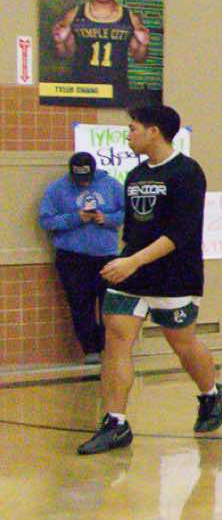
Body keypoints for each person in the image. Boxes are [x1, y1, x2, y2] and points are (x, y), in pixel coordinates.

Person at [76, 105, 222, 454]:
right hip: (132, 273)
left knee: (182, 343)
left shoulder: (187, 172)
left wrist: (134, 261)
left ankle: (211, 393)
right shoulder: (134, 175)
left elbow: (180, 233)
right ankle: (116, 422)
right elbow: (135, 228)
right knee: (116, 340)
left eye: (133, 128)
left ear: (154, 131)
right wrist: (125, 260)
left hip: (175, 275)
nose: (128, 135)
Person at [39, 151, 124, 364]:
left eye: (87, 178)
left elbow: (128, 213)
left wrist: (107, 218)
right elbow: (46, 221)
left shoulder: (112, 186)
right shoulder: (57, 189)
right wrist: (75, 218)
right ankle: (91, 350)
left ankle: (108, 350)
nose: (83, 183)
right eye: (78, 179)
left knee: (109, 307)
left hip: (106, 256)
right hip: (72, 258)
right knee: (80, 306)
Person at [51, 0, 151, 105]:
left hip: (117, 90)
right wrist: (59, 42)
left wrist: (144, 45)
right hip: (82, 90)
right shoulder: (75, 14)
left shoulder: (130, 17)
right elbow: (65, 55)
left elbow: (139, 58)